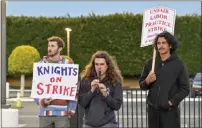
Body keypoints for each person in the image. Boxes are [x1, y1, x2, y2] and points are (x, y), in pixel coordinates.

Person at [139, 31, 190, 128]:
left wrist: (171, 102)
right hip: (153, 112)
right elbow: (142, 85)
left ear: (170, 45)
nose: (161, 46)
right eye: (158, 43)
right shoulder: (150, 63)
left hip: (169, 113)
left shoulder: (179, 65)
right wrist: (147, 80)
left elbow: (185, 89)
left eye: (164, 43)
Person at [34, 36, 77, 128]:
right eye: (49, 46)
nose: (49, 48)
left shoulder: (68, 64)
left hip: (63, 114)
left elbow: (74, 88)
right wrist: (42, 101)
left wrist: (72, 110)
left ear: (60, 48)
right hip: (45, 113)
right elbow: (35, 87)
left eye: (53, 46)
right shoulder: (41, 65)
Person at [78, 51, 123, 128]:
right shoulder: (85, 80)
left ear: (107, 65)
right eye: (96, 64)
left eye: (102, 64)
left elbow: (117, 106)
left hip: (108, 124)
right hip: (89, 124)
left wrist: (106, 94)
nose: (99, 67)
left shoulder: (115, 81)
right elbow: (82, 103)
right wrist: (91, 91)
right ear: (93, 65)